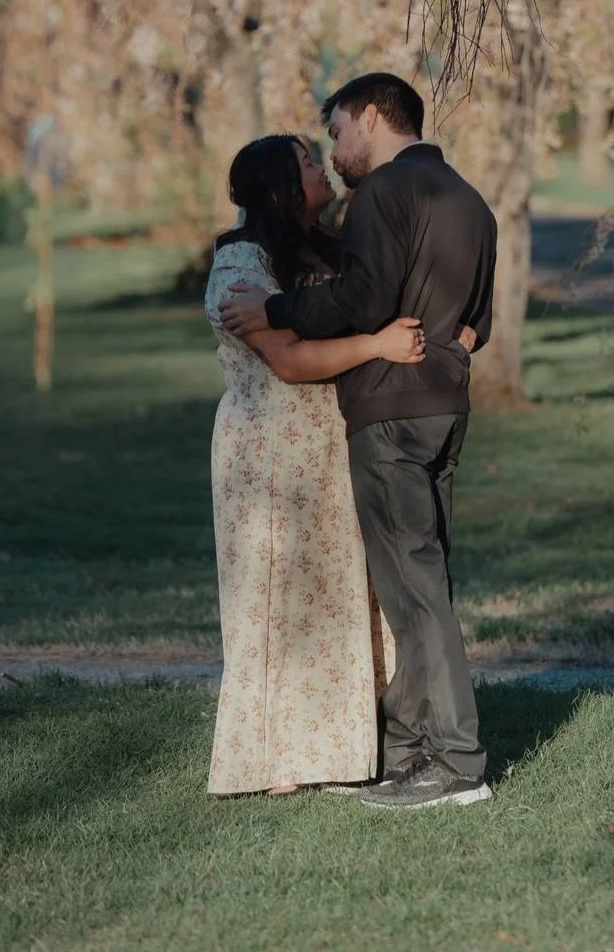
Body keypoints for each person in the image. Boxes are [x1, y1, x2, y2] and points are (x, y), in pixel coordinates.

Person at [221, 73, 498, 810]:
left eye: (339, 131)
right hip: (447, 405)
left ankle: (457, 765)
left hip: (390, 411)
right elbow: (479, 321)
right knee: (416, 588)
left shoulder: (382, 195)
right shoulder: (469, 200)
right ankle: (406, 753)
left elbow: (364, 300)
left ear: (374, 118)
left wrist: (276, 306)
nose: (336, 151)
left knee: (414, 594)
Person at [203, 133, 417, 797]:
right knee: (278, 598)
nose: (319, 165)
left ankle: (345, 745)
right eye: (303, 161)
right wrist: (378, 343)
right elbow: (289, 361)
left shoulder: (324, 245)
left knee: (338, 592)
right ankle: (276, 761)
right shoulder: (242, 261)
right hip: (270, 450)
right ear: (276, 187)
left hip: (325, 441)